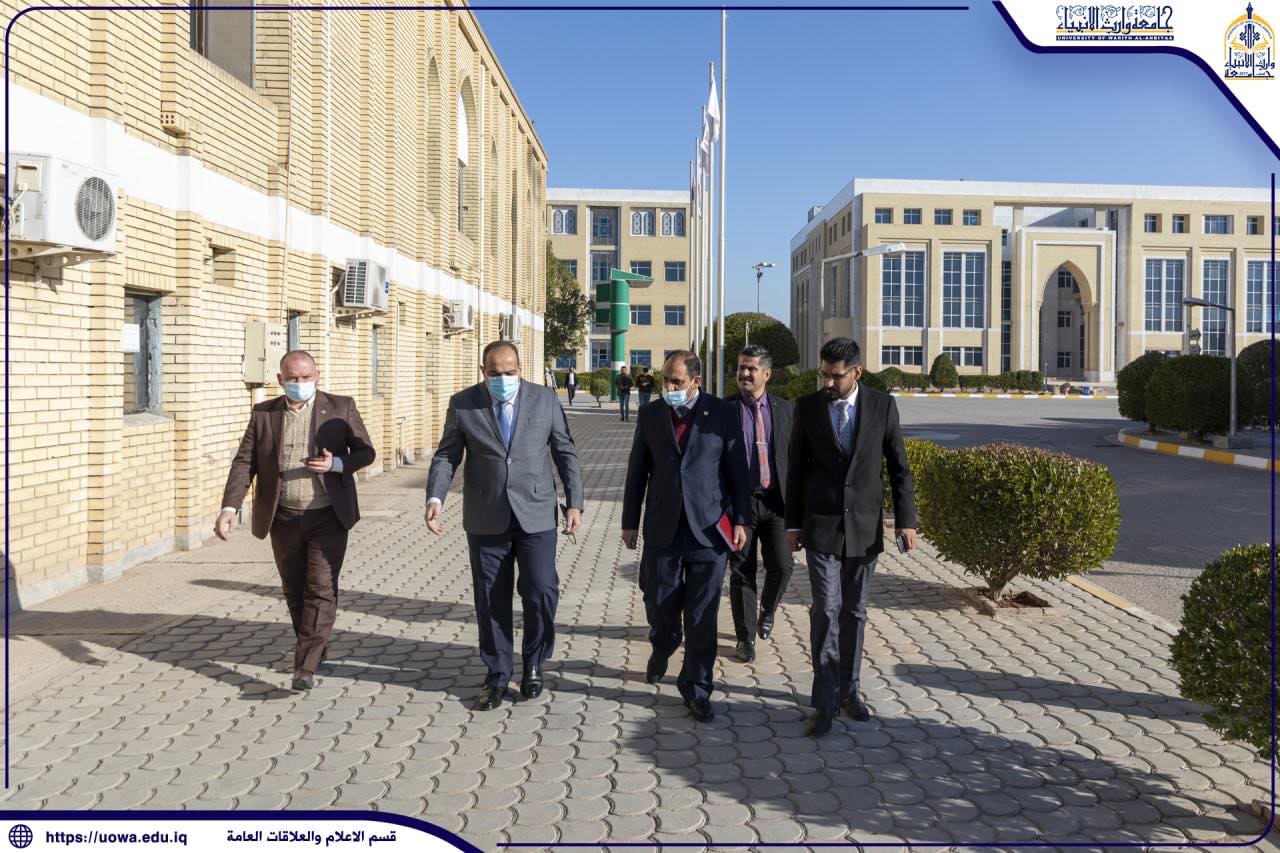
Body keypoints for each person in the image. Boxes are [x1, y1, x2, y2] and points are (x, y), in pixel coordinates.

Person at [426, 341, 585, 711]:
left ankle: (534, 663)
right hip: (486, 515)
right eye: (495, 373)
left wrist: (574, 501)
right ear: (483, 371)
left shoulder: (545, 400)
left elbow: (565, 451)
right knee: (490, 597)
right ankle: (497, 673)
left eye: (509, 372)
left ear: (520, 369)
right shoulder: (464, 403)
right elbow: (447, 455)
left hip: (536, 513)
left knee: (541, 589)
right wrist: (435, 498)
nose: (502, 379)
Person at [216, 350, 377, 692]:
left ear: (317, 376)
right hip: (283, 516)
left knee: (320, 588)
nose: (299, 383)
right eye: (292, 378)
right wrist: (229, 508)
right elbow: (245, 462)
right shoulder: (264, 413)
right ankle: (315, 644)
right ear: (280, 379)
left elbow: (366, 452)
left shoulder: (341, 407)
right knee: (294, 589)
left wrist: (336, 465)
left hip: (328, 514)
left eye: (306, 377)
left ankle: (304, 668)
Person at [787, 337, 917, 737]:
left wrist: (906, 520)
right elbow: (795, 469)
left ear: (856, 372)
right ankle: (824, 702)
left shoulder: (882, 406)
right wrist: (793, 525)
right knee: (826, 610)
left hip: (863, 527)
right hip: (821, 526)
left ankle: (849, 690)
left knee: (854, 612)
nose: (827, 382)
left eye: (835, 376)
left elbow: (898, 467)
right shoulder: (808, 407)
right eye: (823, 374)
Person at [621, 350, 751, 722]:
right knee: (659, 602)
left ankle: (697, 687)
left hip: (708, 530)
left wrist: (741, 520)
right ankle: (663, 643)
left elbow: (738, 471)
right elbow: (637, 471)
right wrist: (630, 521)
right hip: (663, 526)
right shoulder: (651, 414)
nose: (669, 387)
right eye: (665, 380)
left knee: (702, 614)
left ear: (696, 381)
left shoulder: (722, 414)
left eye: (676, 381)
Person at [724, 344, 793, 664]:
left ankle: (768, 610)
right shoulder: (724, 410)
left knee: (783, 565)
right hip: (740, 505)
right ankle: (745, 637)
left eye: (751, 368)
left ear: (767, 374)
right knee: (742, 571)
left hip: (776, 503)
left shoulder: (785, 410)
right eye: (741, 367)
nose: (745, 373)